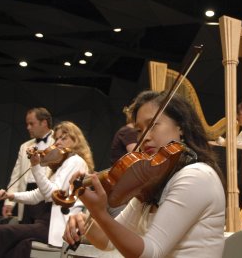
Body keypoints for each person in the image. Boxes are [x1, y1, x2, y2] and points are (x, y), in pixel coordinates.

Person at [63, 90, 227, 257]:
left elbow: (152, 252)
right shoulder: (154, 181)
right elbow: (106, 241)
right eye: (140, 130)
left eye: (153, 125)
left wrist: (100, 213)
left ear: (181, 127)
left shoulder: (197, 176)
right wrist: (86, 221)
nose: (145, 137)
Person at [0, 121, 95, 258]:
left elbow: (52, 194)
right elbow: (37, 195)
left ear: (76, 141)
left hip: (54, 227)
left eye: (64, 138)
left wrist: (36, 166)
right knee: (9, 241)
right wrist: (10, 196)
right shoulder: (61, 165)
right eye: (56, 138)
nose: (58, 142)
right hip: (45, 224)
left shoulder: (75, 161)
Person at [3, 107, 55, 224]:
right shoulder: (24, 147)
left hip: (44, 195)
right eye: (27, 124)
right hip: (27, 195)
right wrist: (9, 203)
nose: (28, 128)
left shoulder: (58, 142)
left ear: (44, 123)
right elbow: (16, 176)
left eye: (32, 124)